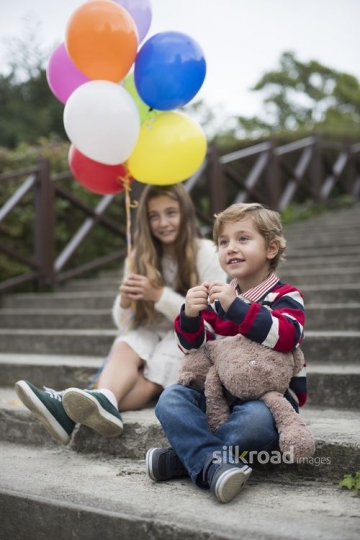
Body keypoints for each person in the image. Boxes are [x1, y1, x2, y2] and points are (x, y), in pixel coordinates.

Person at [14, 184, 227, 445]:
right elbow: (124, 324)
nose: (163, 222)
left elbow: (214, 315)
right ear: (145, 220)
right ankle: (102, 400)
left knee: (162, 361)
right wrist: (126, 302)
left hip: (192, 336)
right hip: (151, 328)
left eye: (170, 212)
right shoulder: (139, 256)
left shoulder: (207, 252)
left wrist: (158, 295)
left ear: (185, 213)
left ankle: (68, 412)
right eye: (154, 215)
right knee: (128, 343)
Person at [146, 202, 307, 504]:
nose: (231, 248)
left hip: (266, 401)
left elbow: (286, 336)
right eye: (223, 242)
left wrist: (238, 308)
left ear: (271, 248)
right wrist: (190, 315)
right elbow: (193, 348)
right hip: (215, 396)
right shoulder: (216, 300)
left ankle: (189, 459)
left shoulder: (285, 296)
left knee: (254, 424)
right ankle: (215, 462)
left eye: (243, 239)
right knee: (170, 399)